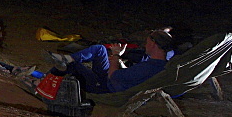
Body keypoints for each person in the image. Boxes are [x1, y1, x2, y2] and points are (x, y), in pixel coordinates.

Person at [46, 29, 175, 94]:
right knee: (100, 49)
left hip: (105, 87)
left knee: (72, 66)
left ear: (153, 44)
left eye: (147, 43)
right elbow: (129, 75)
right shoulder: (159, 64)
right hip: (111, 81)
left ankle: (43, 83)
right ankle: (65, 58)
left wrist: (116, 56)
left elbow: (113, 76)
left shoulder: (148, 67)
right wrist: (119, 60)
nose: (145, 46)